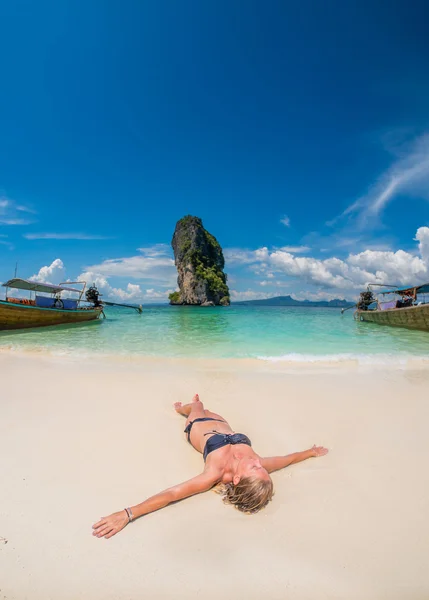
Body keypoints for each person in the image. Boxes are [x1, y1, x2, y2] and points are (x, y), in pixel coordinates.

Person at [92, 394, 328, 539]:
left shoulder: (215, 473)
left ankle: (182, 409)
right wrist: (310, 452)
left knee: (199, 404)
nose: (259, 462)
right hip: (222, 422)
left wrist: (128, 513)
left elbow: (172, 494)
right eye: (261, 467)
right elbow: (287, 459)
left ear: (236, 479)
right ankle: (188, 406)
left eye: (256, 468)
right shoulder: (258, 464)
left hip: (197, 423)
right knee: (208, 408)